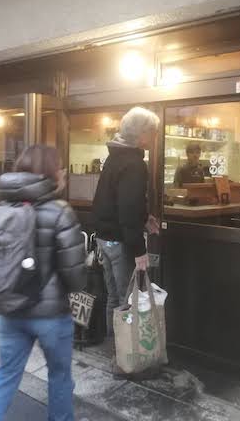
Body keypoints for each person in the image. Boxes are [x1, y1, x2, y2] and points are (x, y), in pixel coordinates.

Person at [0, 145, 85, 421]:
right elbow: (75, 276)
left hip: (11, 309)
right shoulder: (60, 211)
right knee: (59, 376)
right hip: (51, 316)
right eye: (60, 167)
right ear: (51, 172)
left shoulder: (1, 208)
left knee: (5, 374)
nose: (63, 172)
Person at [92, 106, 161, 338]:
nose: (155, 137)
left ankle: (114, 348)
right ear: (142, 134)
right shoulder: (134, 164)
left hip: (105, 238)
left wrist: (145, 218)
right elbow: (128, 210)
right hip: (120, 241)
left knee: (114, 297)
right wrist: (139, 250)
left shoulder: (115, 157)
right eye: (153, 132)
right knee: (128, 299)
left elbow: (112, 201)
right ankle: (126, 353)